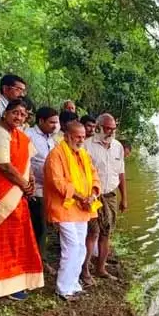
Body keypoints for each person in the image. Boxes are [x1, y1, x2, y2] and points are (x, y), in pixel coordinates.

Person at [0, 99, 44, 300]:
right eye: (15, 113)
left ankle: (18, 280)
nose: (18, 117)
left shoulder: (21, 135)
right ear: (5, 113)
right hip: (5, 193)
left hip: (19, 194)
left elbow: (27, 162)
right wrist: (24, 184)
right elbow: (4, 166)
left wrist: (31, 180)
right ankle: (1, 284)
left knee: (18, 238)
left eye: (23, 114)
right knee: (3, 239)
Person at [44, 122, 101, 299]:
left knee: (81, 246)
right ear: (67, 136)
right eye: (78, 136)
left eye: (83, 137)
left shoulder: (83, 154)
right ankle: (62, 288)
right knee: (72, 246)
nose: (81, 140)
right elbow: (58, 182)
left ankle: (73, 283)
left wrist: (92, 194)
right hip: (65, 208)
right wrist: (79, 197)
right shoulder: (56, 154)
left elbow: (94, 176)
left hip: (83, 208)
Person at [82, 113, 127, 281]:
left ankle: (101, 268)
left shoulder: (118, 147)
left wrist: (125, 198)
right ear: (98, 127)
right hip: (93, 196)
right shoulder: (87, 146)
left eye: (113, 129)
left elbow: (121, 172)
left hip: (111, 195)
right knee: (93, 232)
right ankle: (85, 269)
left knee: (107, 232)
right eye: (107, 128)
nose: (110, 132)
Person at [24, 107, 59, 274]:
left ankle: (38, 259)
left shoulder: (51, 139)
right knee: (39, 226)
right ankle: (38, 261)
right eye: (52, 122)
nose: (55, 125)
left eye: (56, 122)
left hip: (48, 189)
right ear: (41, 121)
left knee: (43, 225)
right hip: (33, 189)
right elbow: (25, 160)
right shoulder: (29, 134)